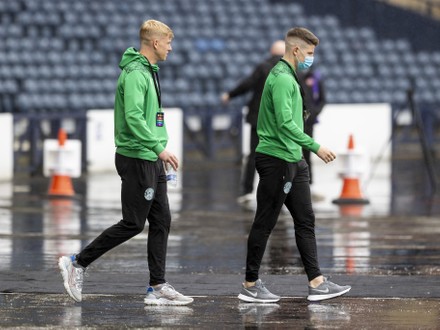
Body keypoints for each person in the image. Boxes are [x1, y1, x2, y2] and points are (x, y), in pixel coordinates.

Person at [58, 20, 193, 306]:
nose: (171, 47)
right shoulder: (134, 74)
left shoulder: (148, 71)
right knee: (133, 223)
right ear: (155, 43)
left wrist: (157, 150)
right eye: (168, 42)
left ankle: (157, 285)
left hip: (149, 157)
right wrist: (160, 149)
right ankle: (77, 263)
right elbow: (133, 119)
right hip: (137, 157)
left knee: (162, 220)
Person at [237, 27, 351, 303]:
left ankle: (317, 282)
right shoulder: (282, 80)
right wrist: (316, 146)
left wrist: (301, 152)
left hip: (293, 159)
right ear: (296, 50)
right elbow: (285, 123)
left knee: (305, 221)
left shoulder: (289, 75)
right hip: (277, 159)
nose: (311, 58)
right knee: (265, 222)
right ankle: (250, 284)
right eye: (309, 53)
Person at [221, 40, 285, 203]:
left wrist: (230, 94)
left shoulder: (263, 67)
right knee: (279, 156)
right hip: (280, 121)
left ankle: (248, 190)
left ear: (271, 51)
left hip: (259, 119)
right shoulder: (289, 70)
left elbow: (247, 84)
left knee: (254, 155)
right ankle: (278, 191)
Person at [299, 68, 326, 186]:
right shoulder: (292, 77)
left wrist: (314, 112)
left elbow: (322, 100)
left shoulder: (315, 80)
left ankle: (308, 182)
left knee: (307, 152)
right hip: (294, 121)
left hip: (308, 122)